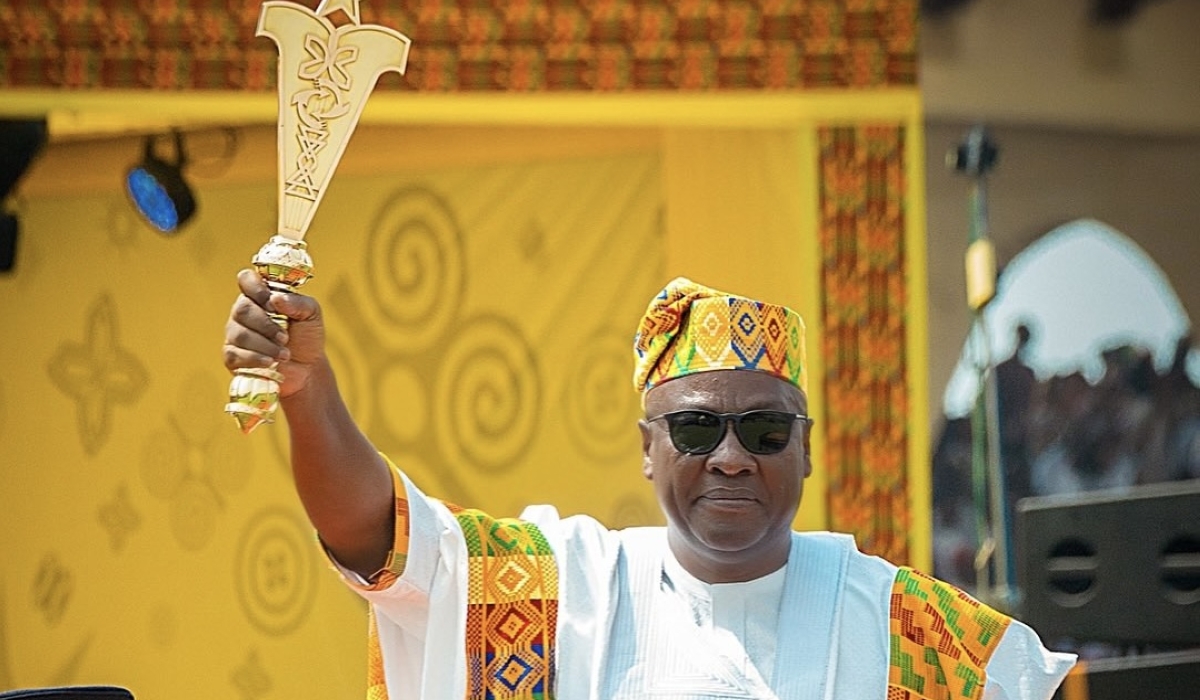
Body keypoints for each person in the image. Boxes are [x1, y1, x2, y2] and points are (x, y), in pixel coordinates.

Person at [223, 273, 1075, 700]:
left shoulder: (901, 625)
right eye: (699, 427)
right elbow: (382, 538)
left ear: (808, 452)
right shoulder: (564, 588)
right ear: (646, 447)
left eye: (766, 429)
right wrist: (309, 391)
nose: (733, 457)